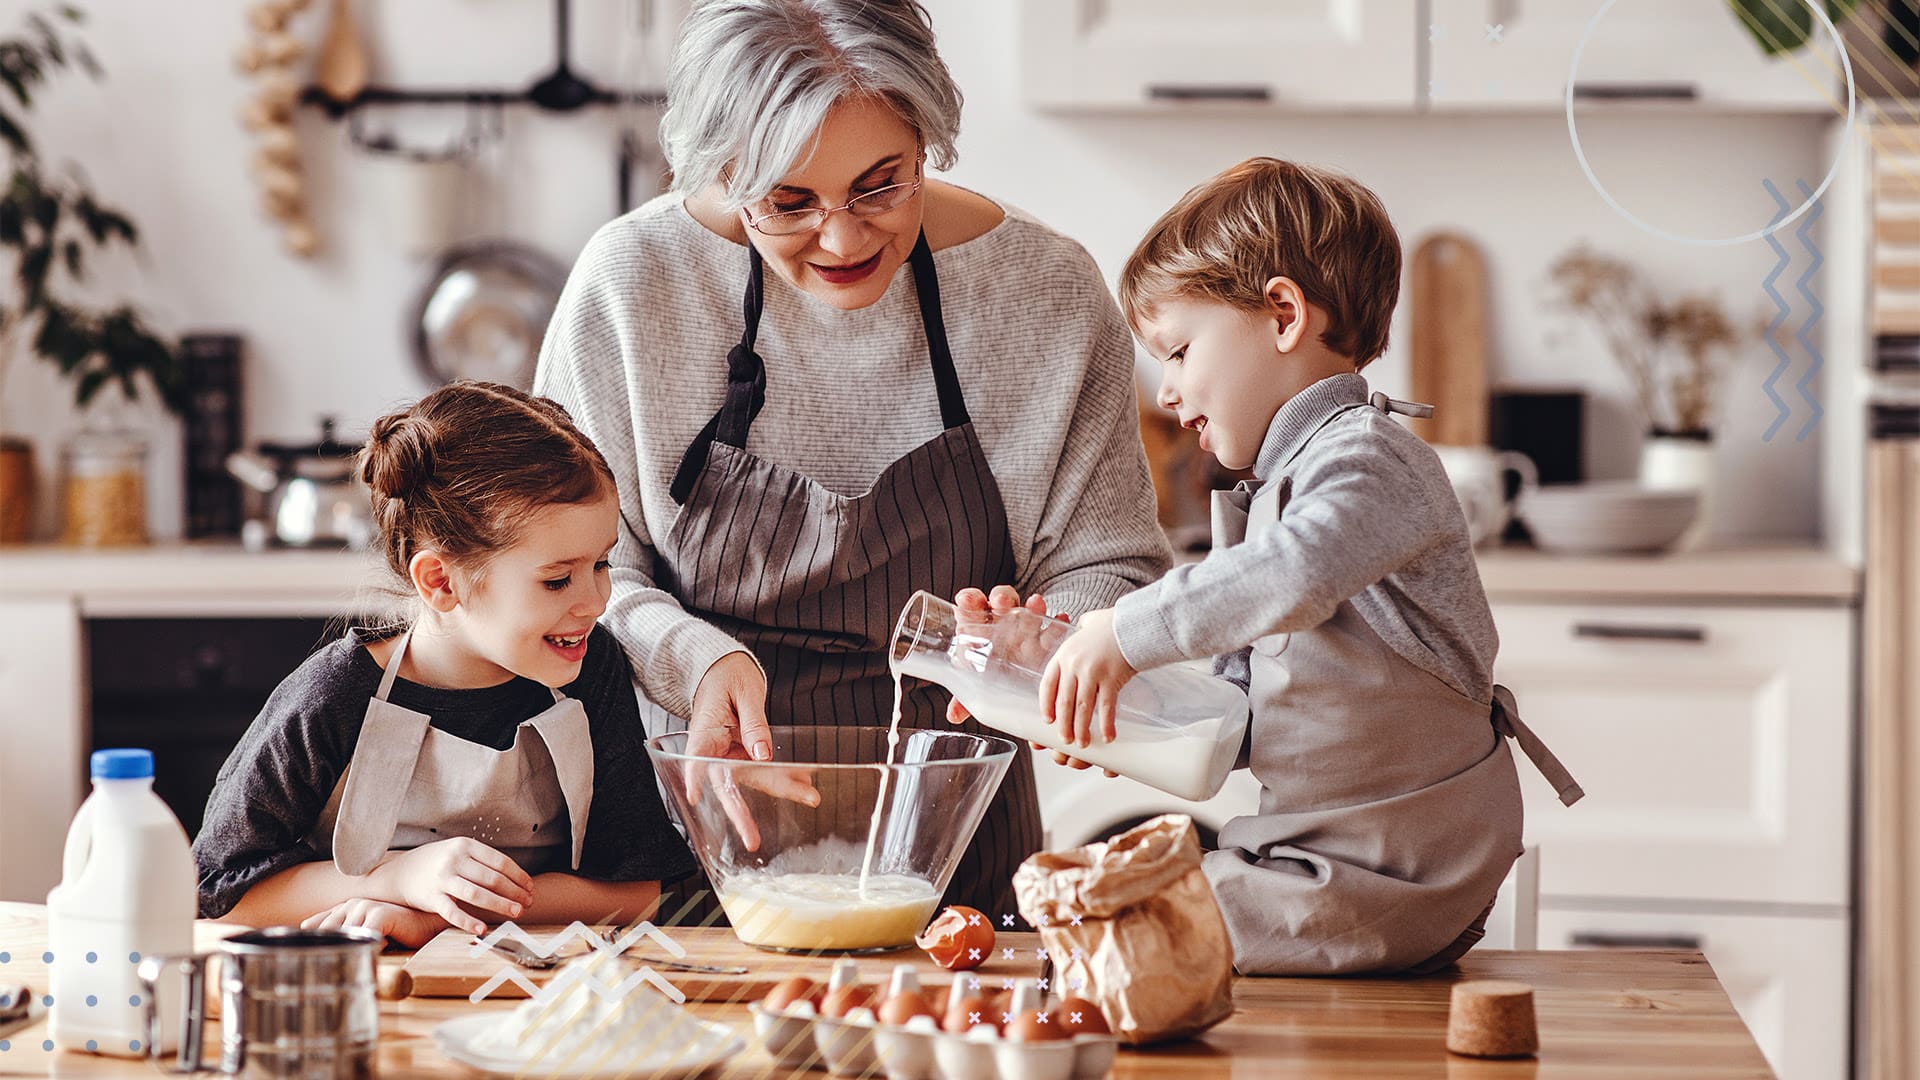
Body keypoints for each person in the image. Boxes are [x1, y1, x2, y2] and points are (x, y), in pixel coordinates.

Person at [533, 0, 1168, 921]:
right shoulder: (632, 284)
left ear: (928, 143)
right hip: (690, 830)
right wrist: (698, 663)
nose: (842, 238)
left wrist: (1047, 642)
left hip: (961, 849)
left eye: (882, 185)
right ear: (718, 173)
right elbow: (578, 569)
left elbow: (1111, 560)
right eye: (788, 202)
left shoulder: (1047, 291)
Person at [1039, 158, 1584, 975]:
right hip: (1316, 856)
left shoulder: (1370, 460)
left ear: (1284, 313)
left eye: (1180, 351)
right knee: (1096, 909)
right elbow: (1241, 719)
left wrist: (1125, 629)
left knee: (1113, 933)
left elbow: (1296, 571)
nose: (1171, 393)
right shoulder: (1272, 492)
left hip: (1396, 867)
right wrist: (1116, 715)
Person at [193, 382, 697, 948]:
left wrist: (436, 918)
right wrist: (399, 879)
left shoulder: (591, 668)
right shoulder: (333, 697)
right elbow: (222, 898)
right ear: (440, 581)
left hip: (544, 994)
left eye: (602, 564)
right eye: (558, 579)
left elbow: (636, 892)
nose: (595, 601)